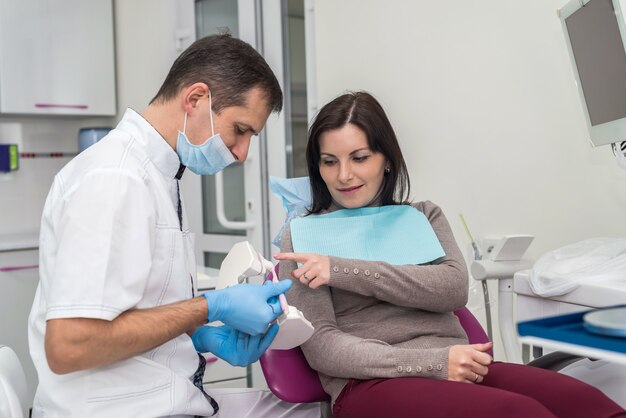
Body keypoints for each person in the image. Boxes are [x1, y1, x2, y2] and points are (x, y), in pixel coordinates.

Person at [274, 91, 626, 418]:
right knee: (521, 414)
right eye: (329, 162)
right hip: (371, 384)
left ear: (386, 160)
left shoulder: (422, 217)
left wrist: (342, 270)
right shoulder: (303, 237)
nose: (344, 175)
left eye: (359, 158)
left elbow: (451, 288)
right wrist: (432, 362)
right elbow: (322, 346)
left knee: (593, 406)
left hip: (459, 368)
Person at [28, 34, 293, 417]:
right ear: (196, 99)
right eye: (240, 130)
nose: (242, 153)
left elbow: (129, 314)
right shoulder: (115, 178)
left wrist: (198, 339)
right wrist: (208, 307)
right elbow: (71, 344)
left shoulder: (156, 174)